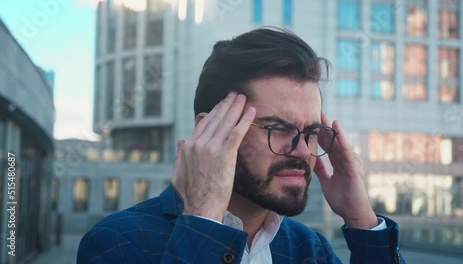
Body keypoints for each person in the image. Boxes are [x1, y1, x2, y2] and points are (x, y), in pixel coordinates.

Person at [78, 27, 405, 264]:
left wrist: (362, 219)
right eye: (278, 128)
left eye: (310, 132)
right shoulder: (117, 243)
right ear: (211, 130)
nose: (304, 151)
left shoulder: (310, 249)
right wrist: (204, 217)